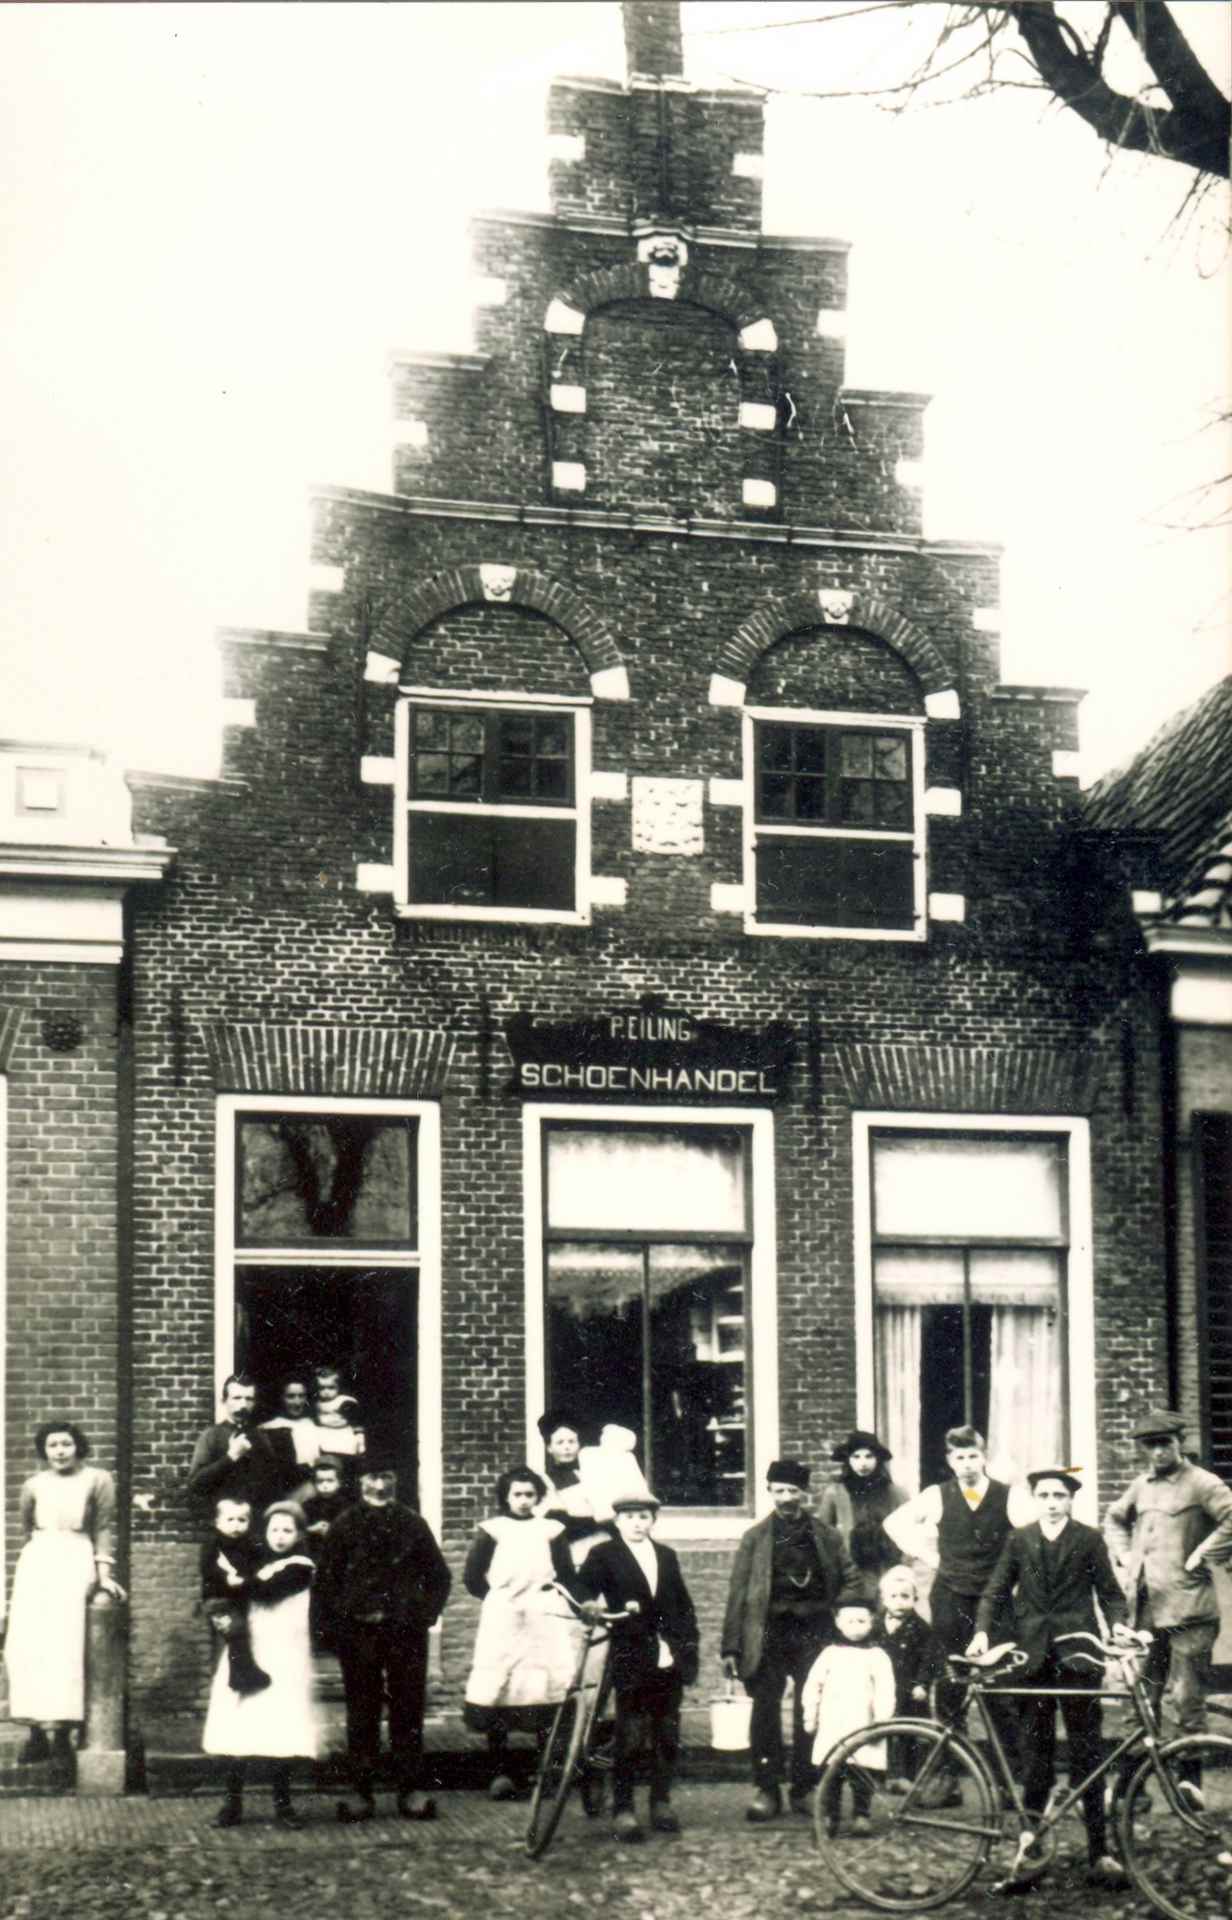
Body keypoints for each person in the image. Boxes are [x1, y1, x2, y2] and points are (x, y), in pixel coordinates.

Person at [970, 1465, 1136, 1890]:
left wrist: (1118, 1625)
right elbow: (995, 1590)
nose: (1051, 1503)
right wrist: (983, 1632)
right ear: (1035, 1500)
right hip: (1033, 1658)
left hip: (1079, 1656)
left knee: (1088, 1755)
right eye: (1044, 1495)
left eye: (1059, 1495)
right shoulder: (1019, 1539)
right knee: (1036, 1755)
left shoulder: (1088, 1539)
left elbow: (1111, 1594)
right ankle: (1031, 1849)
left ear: (1070, 1500)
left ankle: (1099, 1852)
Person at [882, 1424, 1031, 1776]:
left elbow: (1030, 1535)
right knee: (950, 1684)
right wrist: (932, 1558)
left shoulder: (1008, 1496)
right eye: (960, 1458)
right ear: (950, 1461)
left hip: (995, 1599)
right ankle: (948, 1773)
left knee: (999, 1686)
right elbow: (894, 1524)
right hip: (951, 1598)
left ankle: (1007, 1776)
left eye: (973, 1456)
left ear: (984, 1458)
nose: (967, 1464)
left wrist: (1012, 1570)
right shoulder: (937, 1495)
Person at [720, 1457, 862, 1823]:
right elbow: (738, 1593)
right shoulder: (754, 1538)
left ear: (805, 1493)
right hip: (767, 1632)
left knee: (809, 1708)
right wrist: (731, 1646)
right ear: (769, 1491)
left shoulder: (827, 1536)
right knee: (765, 1706)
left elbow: (852, 1579)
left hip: (814, 1631)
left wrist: (839, 1611)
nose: (786, 1498)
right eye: (779, 1491)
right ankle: (767, 1789)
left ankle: (804, 1787)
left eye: (793, 1491)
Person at [313, 1460, 451, 1823]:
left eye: (386, 1476)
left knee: (408, 1708)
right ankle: (361, 1792)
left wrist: (422, 1616)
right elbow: (326, 1581)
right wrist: (334, 1629)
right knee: (362, 1710)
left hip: (405, 1633)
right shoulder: (344, 1525)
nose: (379, 1484)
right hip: (359, 1633)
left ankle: (410, 1790)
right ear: (361, 1480)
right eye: (373, 1476)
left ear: (396, 1479)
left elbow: (439, 1576)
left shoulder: (413, 1524)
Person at [574, 1490, 700, 1842]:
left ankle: (661, 1801)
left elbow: (683, 1605)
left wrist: (689, 1647)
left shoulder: (666, 1555)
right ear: (617, 1522)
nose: (637, 1524)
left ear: (653, 1521)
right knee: (629, 1733)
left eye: (643, 1517)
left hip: (668, 1653)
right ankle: (624, 1808)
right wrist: (588, 1604)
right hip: (631, 1651)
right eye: (629, 1517)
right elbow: (583, 1586)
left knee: (666, 1733)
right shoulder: (604, 1554)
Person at [3, 1420, 125, 1777]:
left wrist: (103, 1575)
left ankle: (63, 1736)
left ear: (78, 1446)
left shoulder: (97, 1480)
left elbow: (103, 1527)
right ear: (44, 1451)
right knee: (29, 1646)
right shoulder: (33, 1485)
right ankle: (36, 1733)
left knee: (66, 1647)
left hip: (75, 1561)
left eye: (66, 1444)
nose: (60, 1451)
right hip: (38, 1564)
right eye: (53, 1445)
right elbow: (27, 1527)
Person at [1104, 1407, 1232, 1741]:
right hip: (1147, 1609)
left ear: (1180, 1442)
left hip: (1189, 1610)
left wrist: (1204, 1553)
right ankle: (1140, 1774)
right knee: (1141, 1699)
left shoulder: (1202, 1483)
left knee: (1186, 1700)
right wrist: (1125, 1554)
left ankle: (1188, 1775)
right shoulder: (1141, 1485)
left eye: (1165, 1443)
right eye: (1151, 1445)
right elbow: (1114, 1518)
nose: (1158, 1451)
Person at [463, 1466, 580, 1799]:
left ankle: (546, 1769)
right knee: (501, 1686)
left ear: (538, 1497)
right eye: (517, 1494)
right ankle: (499, 1772)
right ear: (506, 1497)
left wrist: (572, 1603)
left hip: (543, 1616)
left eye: (530, 1494)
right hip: (505, 1617)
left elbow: (566, 1575)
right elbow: (472, 1578)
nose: (524, 1500)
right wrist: (500, 1600)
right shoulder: (493, 1531)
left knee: (545, 1686)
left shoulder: (551, 1531)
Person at [202, 1499, 319, 1829]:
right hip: (250, 1650)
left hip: (283, 1655)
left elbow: (267, 1592)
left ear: (299, 1534)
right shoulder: (255, 1559)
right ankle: (232, 1803)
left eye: (287, 1530)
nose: (280, 1536)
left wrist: (237, 1582)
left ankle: (283, 1805)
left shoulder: (300, 1566)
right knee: (239, 1725)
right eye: (274, 1529)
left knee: (279, 1729)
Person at [801, 1598, 896, 1837]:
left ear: (871, 1622)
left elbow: (886, 1689)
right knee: (832, 1772)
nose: (856, 1627)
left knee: (862, 1773)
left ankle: (861, 1814)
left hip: (863, 1723)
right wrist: (810, 1715)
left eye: (861, 1621)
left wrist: (881, 1719)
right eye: (850, 1621)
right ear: (838, 1623)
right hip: (833, 1724)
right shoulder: (829, 1654)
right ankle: (830, 1815)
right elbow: (813, 1685)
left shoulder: (877, 1656)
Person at [817, 1429, 909, 1599]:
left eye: (869, 1456)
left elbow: (910, 1534)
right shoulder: (835, 1493)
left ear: (878, 1459)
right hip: (851, 1572)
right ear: (848, 1460)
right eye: (856, 1457)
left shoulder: (896, 1493)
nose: (863, 1463)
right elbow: (823, 1535)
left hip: (887, 1569)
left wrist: (902, 1570)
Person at [877, 1565, 941, 1791]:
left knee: (908, 1733)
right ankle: (882, 1774)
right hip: (882, 1689)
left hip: (909, 1689)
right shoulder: (876, 1625)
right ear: (884, 1599)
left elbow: (929, 1659)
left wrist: (922, 1683)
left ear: (915, 1598)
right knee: (881, 1730)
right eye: (893, 1596)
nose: (899, 1602)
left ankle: (907, 1776)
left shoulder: (921, 1628)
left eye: (905, 1596)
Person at [200, 1495, 271, 1697]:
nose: (236, 1525)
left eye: (242, 1520)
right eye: (230, 1520)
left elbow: (255, 1565)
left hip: (239, 1599)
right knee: (236, 1633)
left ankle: (239, 1676)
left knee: (242, 1633)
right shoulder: (213, 1544)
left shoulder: (248, 1545)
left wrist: (251, 1577)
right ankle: (243, 1675)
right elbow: (207, 1568)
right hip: (218, 1601)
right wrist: (225, 1578)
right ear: (217, 1522)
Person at [186, 1374, 262, 1512]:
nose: (243, 1405)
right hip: (220, 1517)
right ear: (224, 1401)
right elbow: (195, 1485)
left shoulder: (260, 1436)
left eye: (249, 1399)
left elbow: (272, 1484)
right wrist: (231, 1457)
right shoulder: (211, 1435)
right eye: (237, 1398)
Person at [255, 1375, 321, 1505]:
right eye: (291, 1396)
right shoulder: (269, 1428)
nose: (297, 1402)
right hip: (287, 1494)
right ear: (281, 1398)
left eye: (301, 1396)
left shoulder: (313, 1425)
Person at [303, 1455, 352, 1552]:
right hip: (315, 1548)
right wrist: (312, 1529)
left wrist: (334, 1529)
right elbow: (299, 1529)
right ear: (314, 1483)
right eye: (320, 1481)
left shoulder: (347, 1505)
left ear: (339, 1483)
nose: (325, 1486)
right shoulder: (308, 1505)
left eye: (330, 1481)